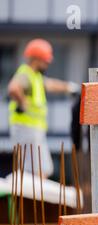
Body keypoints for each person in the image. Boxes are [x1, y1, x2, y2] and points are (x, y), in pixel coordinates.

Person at [8, 38, 79, 178]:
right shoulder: (26, 75)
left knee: (41, 170)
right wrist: (23, 103)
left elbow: (51, 84)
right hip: (26, 129)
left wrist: (69, 87)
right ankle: (30, 199)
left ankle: (31, 198)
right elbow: (13, 88)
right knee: (36, 171)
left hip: (32, 130)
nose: (48, 63)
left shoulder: (35, 77)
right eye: (46, 61)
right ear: (37, 60)